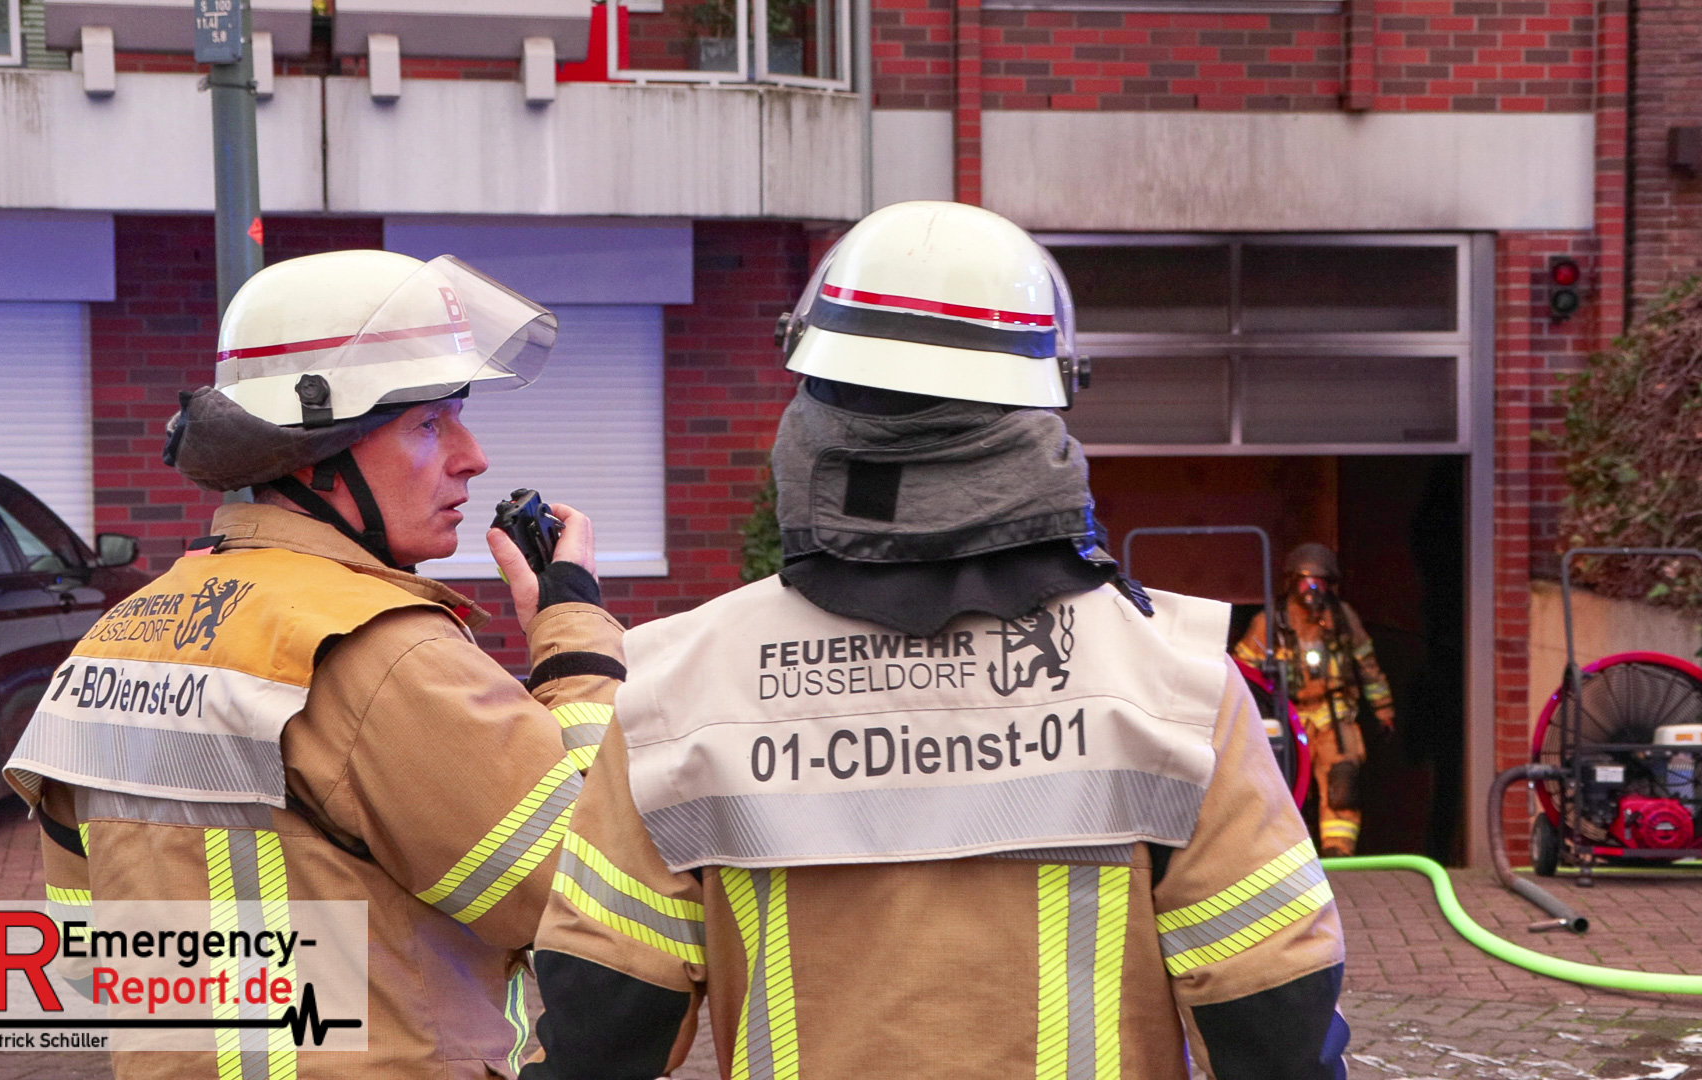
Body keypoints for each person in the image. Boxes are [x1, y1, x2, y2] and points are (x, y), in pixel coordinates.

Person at [522, 202, 1348, 1080]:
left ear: (812, 391)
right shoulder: (1173, 681)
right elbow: (1276, 1028)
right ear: (1045, 399)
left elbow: (598, 1039)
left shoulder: (681, 689)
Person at [3, 250, 627, 1078]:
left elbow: (92, 955)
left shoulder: (112, 639)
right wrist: (574, 640)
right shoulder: (385, 651)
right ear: (313, 455)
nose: (472, 456)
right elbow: (596, 900)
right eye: (430, 423)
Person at [1234, 543, 1395, 857]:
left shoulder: (1342, 618)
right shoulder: (1269, 622)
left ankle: (1338, 853)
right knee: (1280, 785)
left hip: (1334, 716)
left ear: (1330, 584)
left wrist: (1384, 709)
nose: (1311, 590)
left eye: (1319, 582)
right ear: (1291, 582)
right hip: (1287, 716)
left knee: (1342, 784)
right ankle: (1285, 854)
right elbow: (1242, 673)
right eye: (1305, 581)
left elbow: (1368, 666)